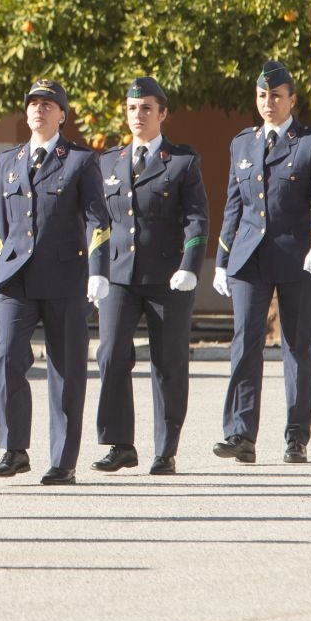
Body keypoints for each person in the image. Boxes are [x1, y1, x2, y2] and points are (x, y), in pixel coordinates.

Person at [211, 60, 311, 465]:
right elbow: (234, 205)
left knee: (297, 347)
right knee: (244, 344)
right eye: (263, 96)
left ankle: (296, 436)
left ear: (292, 100)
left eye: (277, 96)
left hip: (297, 257)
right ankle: (240, 434)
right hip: (249, 258)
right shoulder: (242, 144)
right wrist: (221, 260)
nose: (269, 103)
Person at [0, 78, 112, 485]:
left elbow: (99, 219)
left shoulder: (79, 160)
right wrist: (4, 264)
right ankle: (15, 449)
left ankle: (63, 462)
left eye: (48, 104)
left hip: (64, 279)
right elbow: (3, 226)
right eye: (33, 104)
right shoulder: (9, 161)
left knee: (66, 370)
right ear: (25, 112)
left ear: (63, 113)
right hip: (16, 278)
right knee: (7, 358)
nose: (39, 110)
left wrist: (98, 272)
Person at [90, 77, 209, 476]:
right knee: (109, 354)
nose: (137, 115)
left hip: (167, 277)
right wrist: (95, 270)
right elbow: (98, 222)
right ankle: (120, 443)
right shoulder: (108, 161)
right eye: (131, 108)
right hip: (119, 276)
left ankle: (165, 449)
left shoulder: (181, 162)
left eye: (145, 109)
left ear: (162, 114)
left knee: (168, 362)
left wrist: (189, 267)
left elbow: (196, 220)